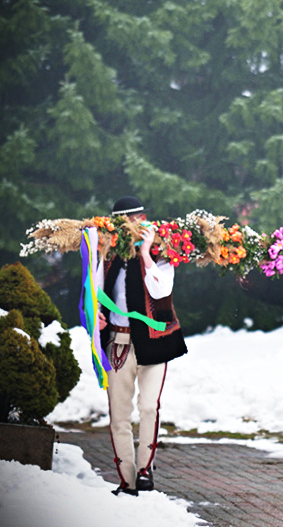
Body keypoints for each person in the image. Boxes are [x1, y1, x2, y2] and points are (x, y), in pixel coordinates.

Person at [99, 196, 188, 495]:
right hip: (119, 341)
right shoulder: (108, 255)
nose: (134, 226)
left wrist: (147, 253)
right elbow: (94, 292)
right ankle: (127, 480)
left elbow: (161, 290)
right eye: (127, 222)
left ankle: (144, 469)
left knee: (149, 406)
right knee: (119, 414)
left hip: (154, 341)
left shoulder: (163, 251)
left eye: (139, 220)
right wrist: (96, 315)